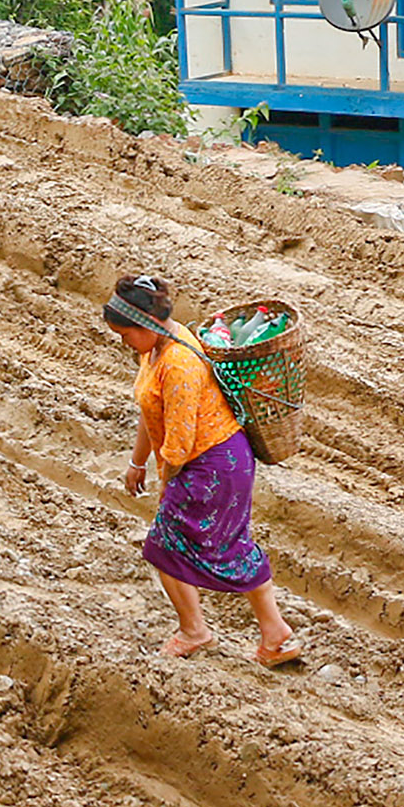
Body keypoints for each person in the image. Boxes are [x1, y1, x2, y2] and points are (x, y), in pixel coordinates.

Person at [104, 275, 302, 667]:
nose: (122, 342)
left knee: (164, 547)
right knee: (232, 545)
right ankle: (275, 636)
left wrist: (166, 484)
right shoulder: (159, 347)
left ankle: (196, 632)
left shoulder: (178, 363)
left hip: (211, 464)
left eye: (125, 334)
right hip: (222, 461)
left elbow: (179, 439)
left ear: (146, 325)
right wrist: (136, 461)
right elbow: (150, 408)